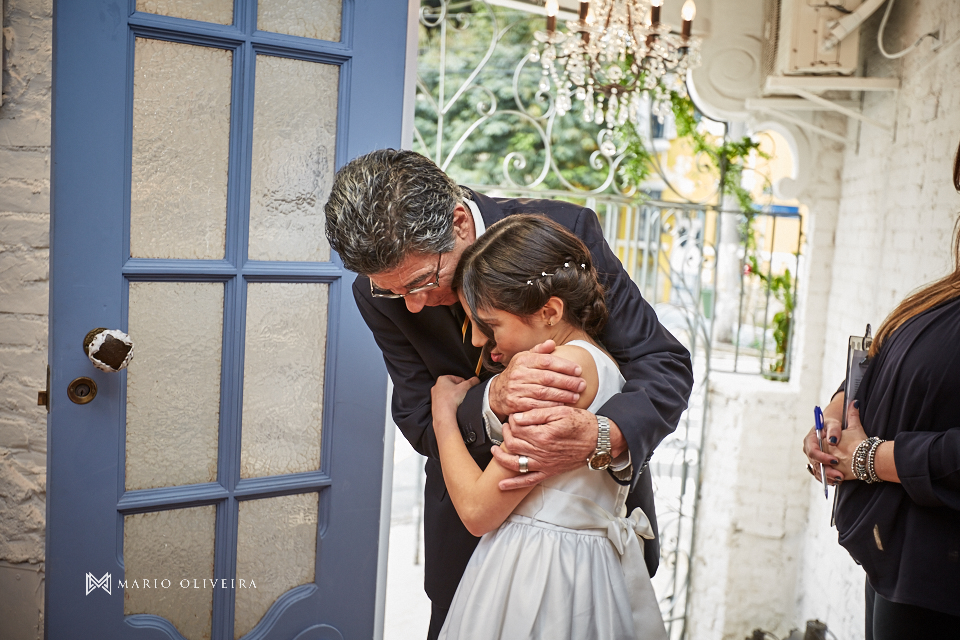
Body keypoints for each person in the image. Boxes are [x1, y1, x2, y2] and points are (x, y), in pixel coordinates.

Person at [324, 149, 693, 638]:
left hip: (585, 542)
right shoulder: (379, 295)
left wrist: (605, 434)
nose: (411, 307)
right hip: (466, 544)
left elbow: (661, 361)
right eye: (394, 293)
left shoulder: (563, 234)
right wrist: (491, 399)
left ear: (458, 223)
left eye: (422, 282)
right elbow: (417, 412)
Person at [431, 214, 668, 640]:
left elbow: (478, 512)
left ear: (549, 311)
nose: (479, 342)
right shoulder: (596, 361)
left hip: (542, 573)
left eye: (490, 325)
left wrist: (444, 416)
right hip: (588, 566)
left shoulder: (556, 373)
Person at [802, 142, 960, 639]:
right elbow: (880, 361)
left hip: (942, 581)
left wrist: (870, 458)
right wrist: (833, 416)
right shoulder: (943, 296)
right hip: (901, 562)